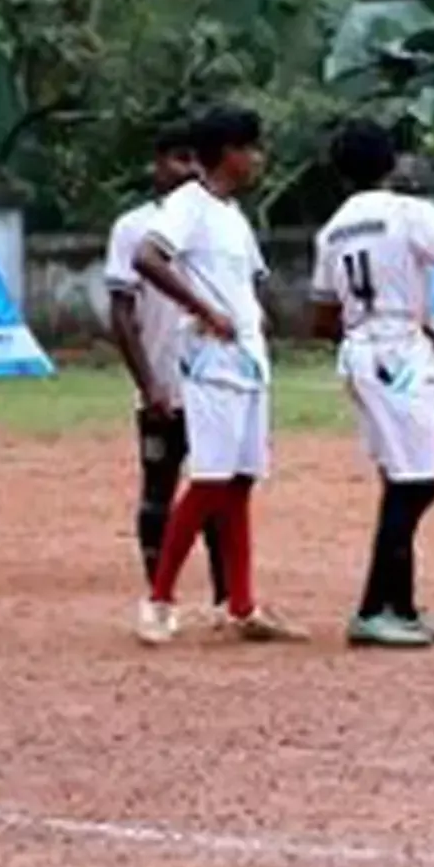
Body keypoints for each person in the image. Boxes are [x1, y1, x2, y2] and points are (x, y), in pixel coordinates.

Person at [309, 119, 434, 649]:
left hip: (359, 351)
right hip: (400, 353)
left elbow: (322, 321)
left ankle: (403, 607)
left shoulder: (333, 230)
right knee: (417, 484)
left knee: (401, 478)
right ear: (390, 163)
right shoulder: (410, 214)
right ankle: (372, 610)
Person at [131, 105, 305, 645]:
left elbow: (248, 279)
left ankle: (241, 602)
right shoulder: (190, 204)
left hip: (247, 358)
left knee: (240, 480)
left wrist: (252, 318)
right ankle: (159, 600)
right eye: (250, 148)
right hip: (211, 360)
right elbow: (148, 257)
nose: (257, 159)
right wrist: (204, 309)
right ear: (228, 152)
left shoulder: (231, 214)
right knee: (209, 478)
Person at [102, 119, 226, 613]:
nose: (190, 170)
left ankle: (226, 595)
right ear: (157, 164)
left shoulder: (220, 221)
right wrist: (147, 382)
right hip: (163, 385)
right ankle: (160, 593)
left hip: (216, 385)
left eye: (197, 158)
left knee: (219, 487)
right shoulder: (133, 227)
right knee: (158, 490)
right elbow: (121, 310)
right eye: (179, 158)